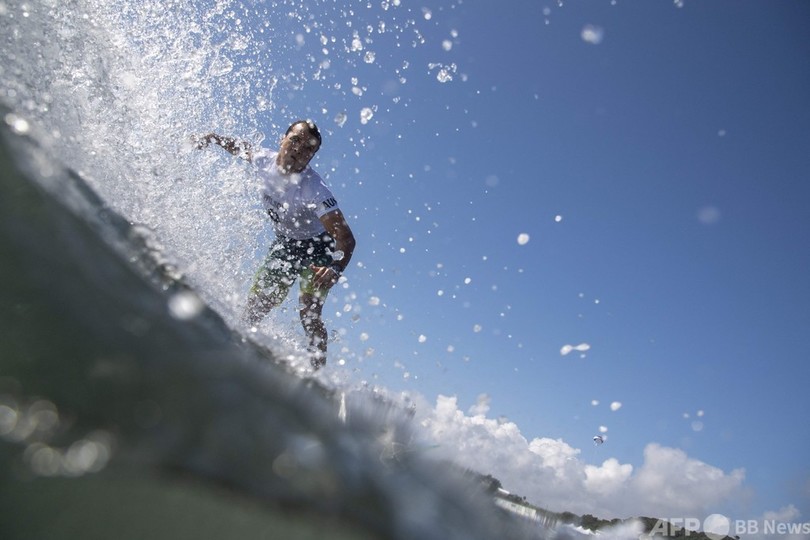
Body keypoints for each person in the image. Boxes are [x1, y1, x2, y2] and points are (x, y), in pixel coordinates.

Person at [194, 120, 356, 369]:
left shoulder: (314, 189)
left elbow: (346, 237)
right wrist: (213, 137)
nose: (298, 151)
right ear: (283, 139)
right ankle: (233, 346)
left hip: (319, 246)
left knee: (309, 313)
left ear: (311, 158)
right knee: (258, 304)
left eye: (307, 150)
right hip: (287, 243)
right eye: (295, 141)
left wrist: (335, 268)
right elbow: (239, 147)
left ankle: (318, 370)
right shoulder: (263, 159)